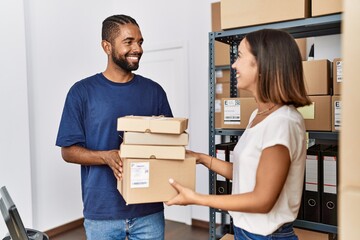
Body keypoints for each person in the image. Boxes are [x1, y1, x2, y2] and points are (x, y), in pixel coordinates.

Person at [166, 28, 311, 240]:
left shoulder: (282, 123)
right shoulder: (259, 115)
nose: (234, 64)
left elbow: (262, 200)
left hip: (265, 236)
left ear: (263, 65)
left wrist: (197, 199)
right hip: (247, 231)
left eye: (240, 56)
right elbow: (247, 173)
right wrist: (202, 158)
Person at [56, 14, 172, 240]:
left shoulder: (154, 91)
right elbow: (68, 151)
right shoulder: (81, 92)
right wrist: (106, 157)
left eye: (140, 42)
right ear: (106, 47)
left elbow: (169, 145)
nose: (137, 48)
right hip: (102, 213)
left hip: (148, 210)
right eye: (129, 42)